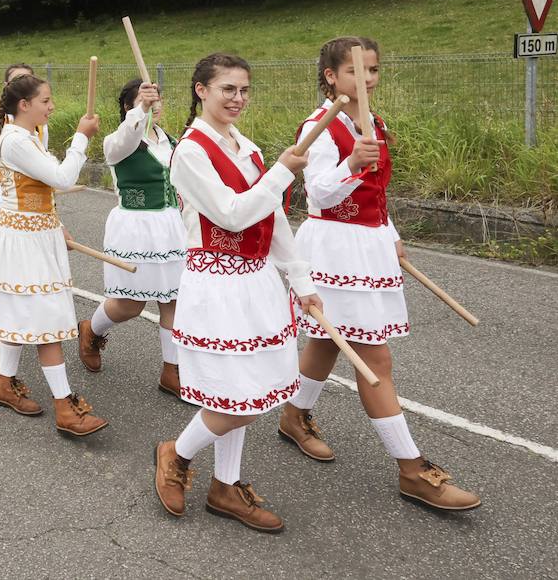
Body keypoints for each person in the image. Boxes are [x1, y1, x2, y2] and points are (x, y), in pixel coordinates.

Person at [281, 37, 479, 511]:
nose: (366, 80)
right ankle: (412, 469)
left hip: (368, 246)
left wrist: (388, 230)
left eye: (372, 70)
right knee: (375, 360)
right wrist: (352, 162)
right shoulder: (320, 126)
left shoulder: (373, 121)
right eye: (354, 72)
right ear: (330, 76)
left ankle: (294, 416)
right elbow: (320, 195)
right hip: (334, 247)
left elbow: (376, 191)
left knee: (328, 342)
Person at [153, 53, 319, 533]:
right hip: (218, 282)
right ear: (201, 90)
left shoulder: (245, 146)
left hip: (258, 280)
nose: (238, 98)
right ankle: (176, 453)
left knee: (250, 391)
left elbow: (272, 218)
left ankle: (227, 485)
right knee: (233, 397)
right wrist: (283, 172)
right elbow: (231, 214)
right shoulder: (189, 151)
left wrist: (301, 281)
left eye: (244, 89)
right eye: (228, 88)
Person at [0, 73, 106, 436]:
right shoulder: (17, 140)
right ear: (25, 105)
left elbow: (41, 191)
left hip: (34, 234)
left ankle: (4, 383)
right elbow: (62, 178)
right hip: (23, 240)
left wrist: (55, 224)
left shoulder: (27, 136)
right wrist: (82, 138)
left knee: (23, 312)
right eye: (45, 101)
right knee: (46, 321)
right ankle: (65, 404)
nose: (51, 107)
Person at [77, 79, 185, 396]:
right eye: (143, 98)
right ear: (129, 107)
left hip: (170, 227)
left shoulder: (172, 141)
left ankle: (171, 370)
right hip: (135, 229)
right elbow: (128, 133)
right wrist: (141, 109)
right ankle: (90, 330)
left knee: (174, 299)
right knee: (130, 305)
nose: (154, 103)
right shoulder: (118, 142)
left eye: (155, 97)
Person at [0, 63, 45, 253]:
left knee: (27, 258)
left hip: (29, 196)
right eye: (17, 81)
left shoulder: (40, 122)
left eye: (29, 81)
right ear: (6, 86)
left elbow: (43, 160)